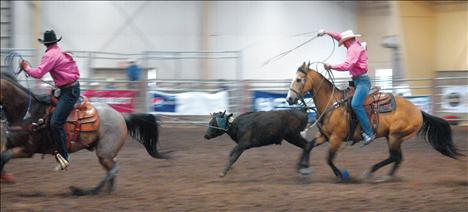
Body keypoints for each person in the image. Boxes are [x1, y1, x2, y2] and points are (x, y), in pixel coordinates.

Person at [20, 30, 80, 170]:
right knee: (46, 109)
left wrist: (26, 67)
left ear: (45, 43)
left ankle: (64, 156)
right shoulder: (58, 51)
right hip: (67, 89)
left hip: (68, 92)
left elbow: (38, 73)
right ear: (55, 42)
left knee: (55, 122)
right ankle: (52, 144)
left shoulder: (50, 55)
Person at [317, 29, 376, 146]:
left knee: (356, 104)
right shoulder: (353, 45)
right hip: (357, 81)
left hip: (362, 82)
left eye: (344, 42)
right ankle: (354, 129)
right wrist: (326, 32)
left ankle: (369, 133)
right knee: (347, 103)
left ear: (348, 41)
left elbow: (348, 65)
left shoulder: (354, 49)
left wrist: (331, 66)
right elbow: (339, 37)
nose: (342, 44)